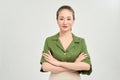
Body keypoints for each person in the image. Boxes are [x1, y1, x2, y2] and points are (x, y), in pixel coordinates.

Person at [40, 5, 92, 80]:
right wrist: (75, 65)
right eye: (61, 19)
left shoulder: (80, 42)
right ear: (57, 20)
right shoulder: (49, 41)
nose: (65, 22)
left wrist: (58, 63)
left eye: (68, 19)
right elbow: (45, 67)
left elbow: (87, 66)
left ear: (73, 21)